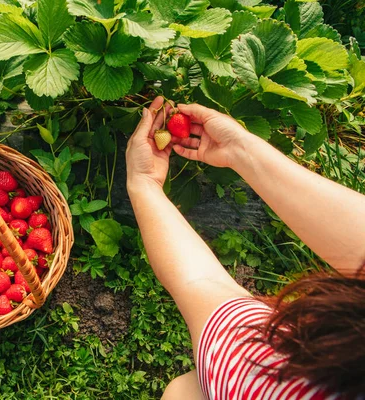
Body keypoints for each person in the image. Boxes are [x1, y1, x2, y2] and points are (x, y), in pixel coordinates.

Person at [125, 96, 365, 400]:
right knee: (187, 389)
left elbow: (215, 306)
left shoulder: (291, 386)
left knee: (182, 393)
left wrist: (143, 183)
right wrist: (238, 149)